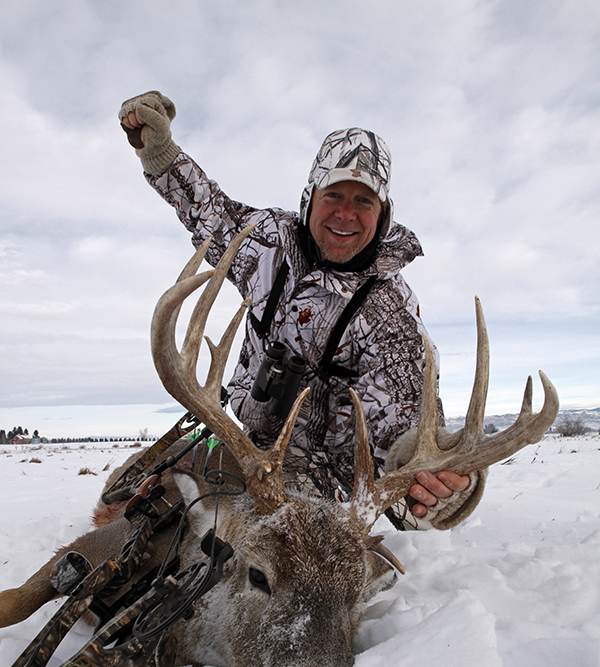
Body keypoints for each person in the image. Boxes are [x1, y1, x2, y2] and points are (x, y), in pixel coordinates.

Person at [120, 91, 485, 529]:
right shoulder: (267, 242)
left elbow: (408, 429)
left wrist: (441, 480)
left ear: (383, 214)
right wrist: (159, 152)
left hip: (325, 477)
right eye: (334, 195)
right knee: (146, 486)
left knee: (233, 524)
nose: (345, 214)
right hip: (244, 434)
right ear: (310, 197)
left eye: (364, 201)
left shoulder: (391, 314)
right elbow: (209, 212)